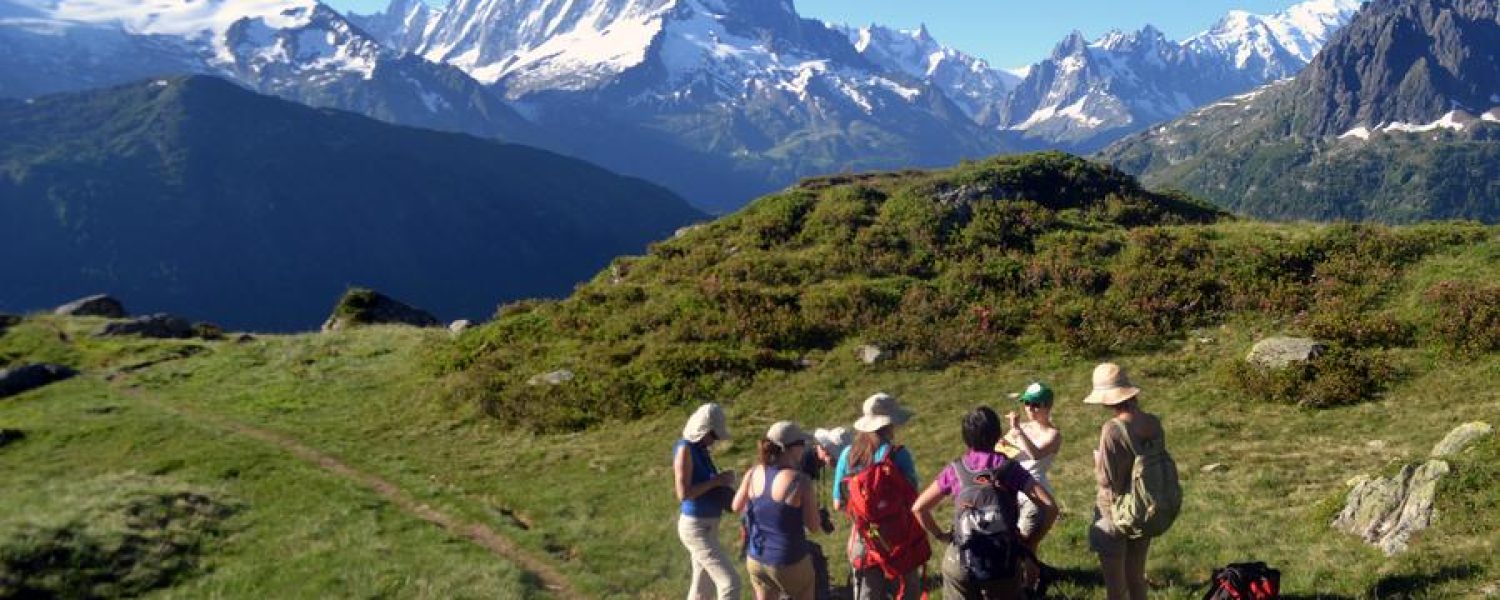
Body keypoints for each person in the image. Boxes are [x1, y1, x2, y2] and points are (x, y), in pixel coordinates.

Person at [912, 407, 1057, 600]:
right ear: (997, 434)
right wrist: (1031, 541)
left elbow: (919, 508)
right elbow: (1050, 507)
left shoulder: (956, 470)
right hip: (1002, 562)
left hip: (960, 561)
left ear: (966, 437)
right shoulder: (1008, 468)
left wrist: (942, 536)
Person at [1085, 363, 1164, 600]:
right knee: (1136, 577)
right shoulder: (1153, 422)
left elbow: (1105, 479)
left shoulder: (1112, 429)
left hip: (1114, 510)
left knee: (1115, 586)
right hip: (1143, 506)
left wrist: (1097, 461)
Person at [832, 393, 921, 600]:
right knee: (907, 593)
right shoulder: (898, 454)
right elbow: (912, 497)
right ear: (889, 425)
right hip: (898, 540)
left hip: (863, 541)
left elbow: (838, 503)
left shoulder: (848, 454)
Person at [733, 421, 824, 600]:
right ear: (789, 448)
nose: (804, 448)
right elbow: (814, 527)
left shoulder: (752, 473)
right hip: (789, 559)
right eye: (801, 444)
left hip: (757, 558)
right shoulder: (800, 481)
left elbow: (736, 506)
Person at [674, 403, 741, 600]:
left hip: (707, 525)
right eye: (713, 435)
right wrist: (717, 481)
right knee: (730, 583)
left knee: (702, 587)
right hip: (696, 527)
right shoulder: (685, 450)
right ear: (703, 430)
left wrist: (719, 480)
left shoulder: (700, 449)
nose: (714, 441)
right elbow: (683, 493)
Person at [998, 383, 1062, 552]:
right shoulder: (1022, 428)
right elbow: (1000, 450)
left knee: (1026, 545)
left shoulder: (1053, 434)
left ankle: (1031, 578)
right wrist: (1002, 442)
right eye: (1027, 403)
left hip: (1034, 494)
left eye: (1036, 404)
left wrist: (1017, 431)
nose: (1030, 409)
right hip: (1012, 490)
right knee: (1012, 541)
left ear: (1048, 406)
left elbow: (1036, 454)